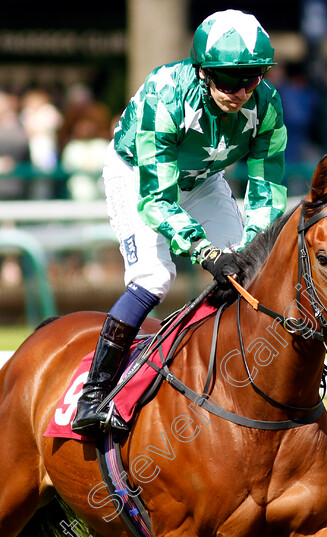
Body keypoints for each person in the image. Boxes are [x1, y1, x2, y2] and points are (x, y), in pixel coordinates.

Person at [72, 9, 288, 434]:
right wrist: (204, 251)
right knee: (154, 276)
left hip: (203, 181)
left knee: (247, 271)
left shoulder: (268, 106)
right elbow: (156, 199)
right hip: (137, 174)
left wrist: (247, 250)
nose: (240, 91)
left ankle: (225, 375)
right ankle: (94, 394)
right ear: (202, 71)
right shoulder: (166, 93)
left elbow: (267, 192)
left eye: (251, 78)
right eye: (227, 79)